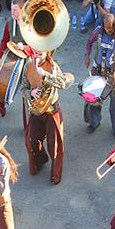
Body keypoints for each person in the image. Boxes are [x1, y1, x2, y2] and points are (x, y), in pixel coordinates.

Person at [21, 46, 73, 185]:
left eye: (40, 53)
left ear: (47, 52)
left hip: (51, 111)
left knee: (54, 145)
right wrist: (30, 93)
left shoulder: (53, 67)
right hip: (36, 109)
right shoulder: (29, 65)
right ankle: (40, 160)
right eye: (36, 52)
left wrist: (45, 74)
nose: (37, 55)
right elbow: (23, 88)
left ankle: (56, 175)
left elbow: (62, 83)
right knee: (31, 140)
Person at [84, 13, 115, 137]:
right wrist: (87, 55)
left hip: (111, 73)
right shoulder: (98, 31)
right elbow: (89, 42)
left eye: (110, 28)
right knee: (93, 97)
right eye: (105, 27)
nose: (107, 30)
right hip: (97, 69)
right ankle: (94, 122)